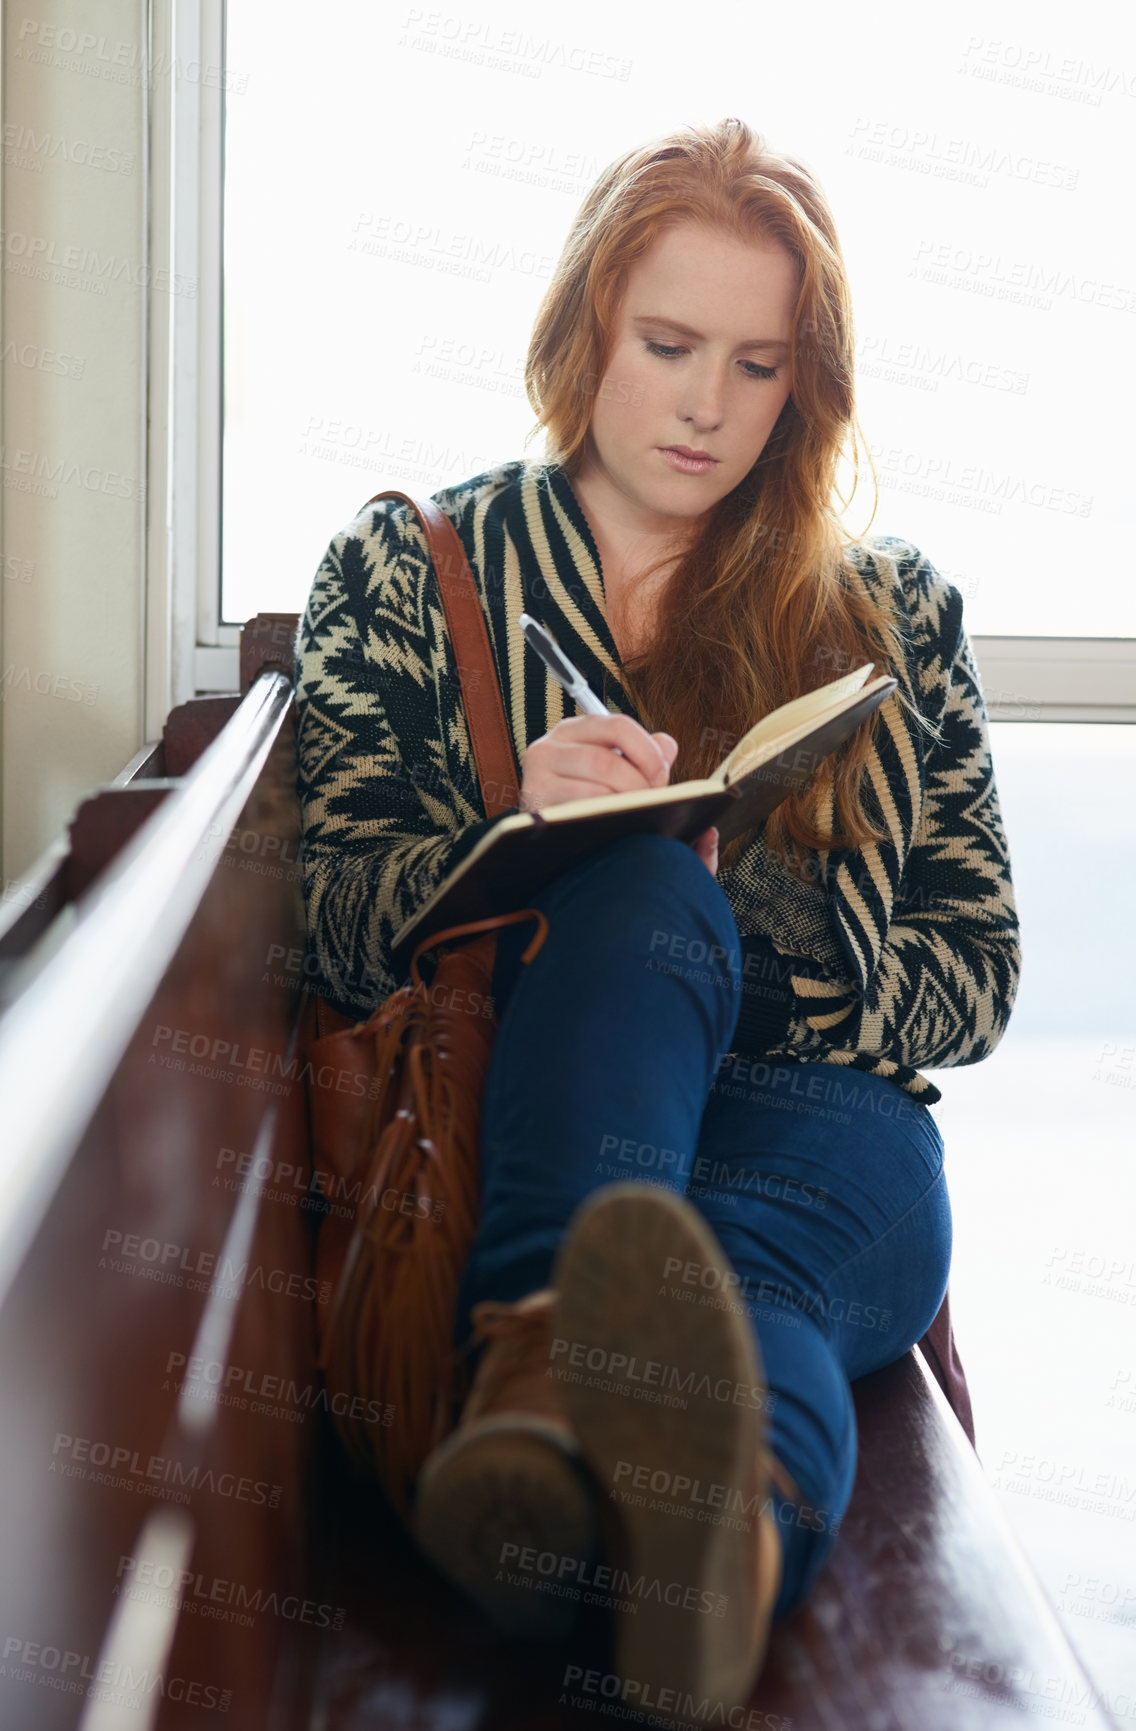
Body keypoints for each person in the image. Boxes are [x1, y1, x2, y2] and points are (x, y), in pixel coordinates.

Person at [293, 117, 1021, 1722]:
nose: (708, 407)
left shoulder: (890, 610)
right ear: (585, 334)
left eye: (758, 365)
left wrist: (764, 925)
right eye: (670, 345)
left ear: (803, 383)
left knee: (759, 1300)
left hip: (824, 1130)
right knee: (632, 893)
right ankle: (569, 1386)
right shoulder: (414, 571)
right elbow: (329, 922)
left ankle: (627, 1511)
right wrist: (519, 839)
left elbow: (974, 976)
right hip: (541, 1112)